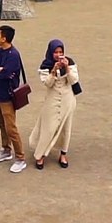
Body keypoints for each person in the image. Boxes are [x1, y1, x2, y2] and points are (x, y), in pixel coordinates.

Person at [29, 39, 78, 169]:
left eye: (60, 52)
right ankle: (40, 155)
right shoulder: (46, 65)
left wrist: (66, 67)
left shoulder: (70, 63)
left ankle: (63, 154)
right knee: (48, 128)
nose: (58, 55)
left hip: (68, 100)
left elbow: (73, 81)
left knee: (65, 129)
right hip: (52, 100)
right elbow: (47, 84)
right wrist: (53, 70)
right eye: (55, 52)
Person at [0, 25, 29, 174]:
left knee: (11, 128)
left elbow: (6, 75)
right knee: (1, 124)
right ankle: (6, 150)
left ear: (4, 38)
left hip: (8, 96)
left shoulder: (13, 55)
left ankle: (20, 158)